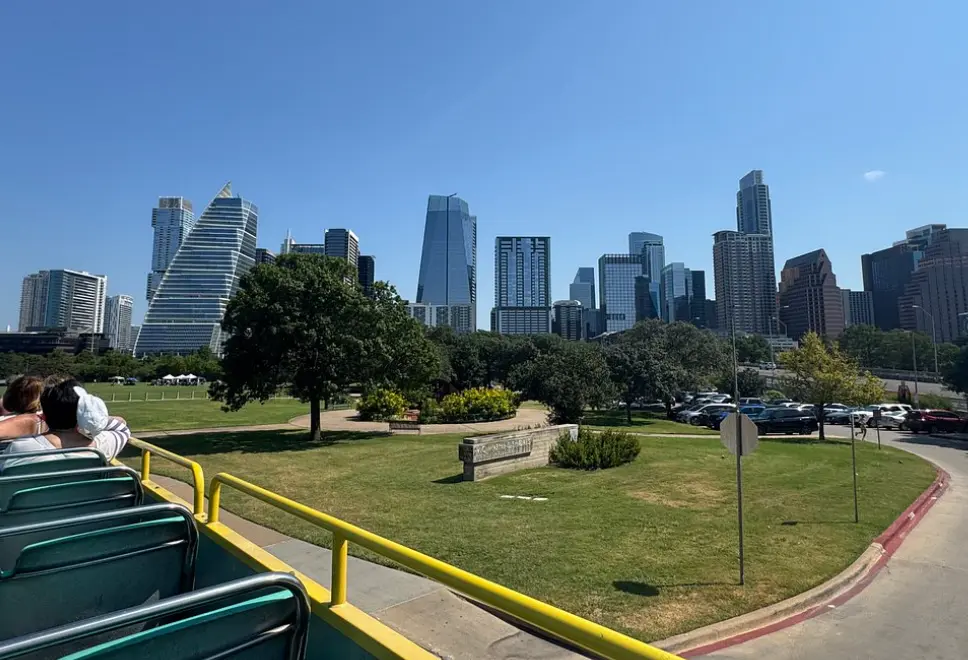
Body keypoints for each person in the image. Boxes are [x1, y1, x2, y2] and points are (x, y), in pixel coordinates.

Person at [0, 378, 130, 470]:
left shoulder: (21, 448)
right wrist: (89, 415)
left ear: (44, 415)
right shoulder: (103, 446)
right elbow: (121, 426)